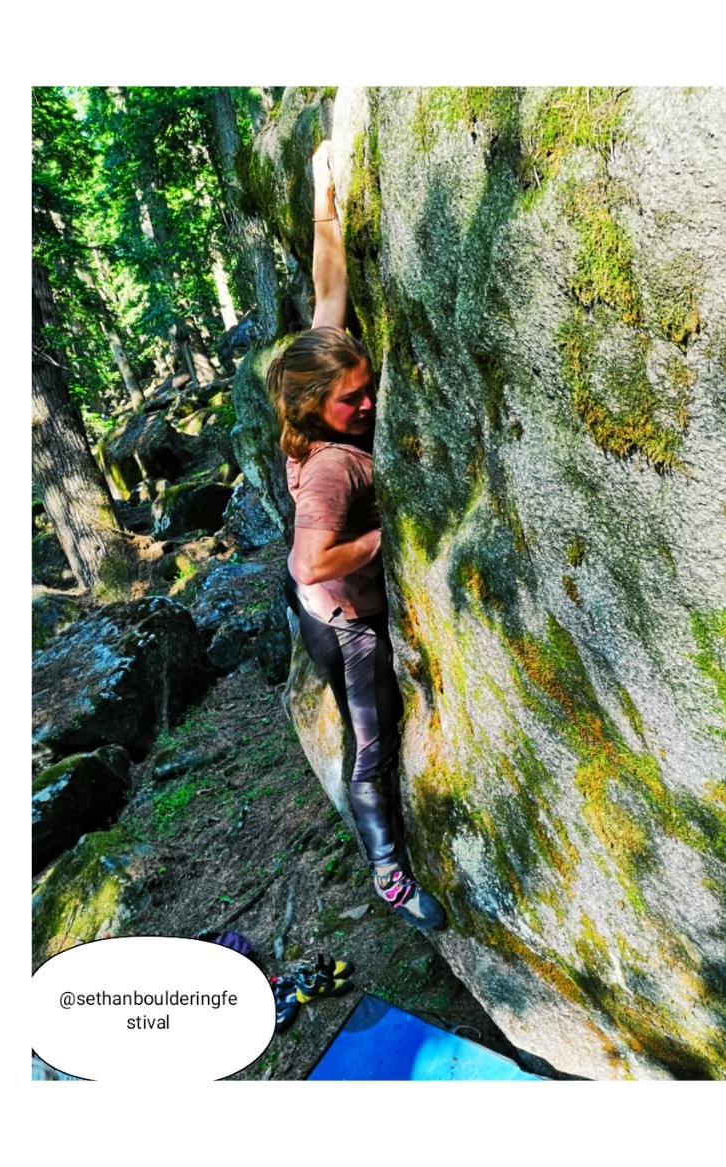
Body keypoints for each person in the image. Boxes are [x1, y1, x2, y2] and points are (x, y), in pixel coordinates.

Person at [267, 142, 445, 932]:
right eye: (353, 400)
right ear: (316, 408)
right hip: (344, 623)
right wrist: (386, 538)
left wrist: (324, 201)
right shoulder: (333, 467)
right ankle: (389, 877)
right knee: (371, 742)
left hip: (322, 603)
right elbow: (312, 558)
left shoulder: (310, 382)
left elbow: (328, 296)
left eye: (368, 388)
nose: (368, 403)